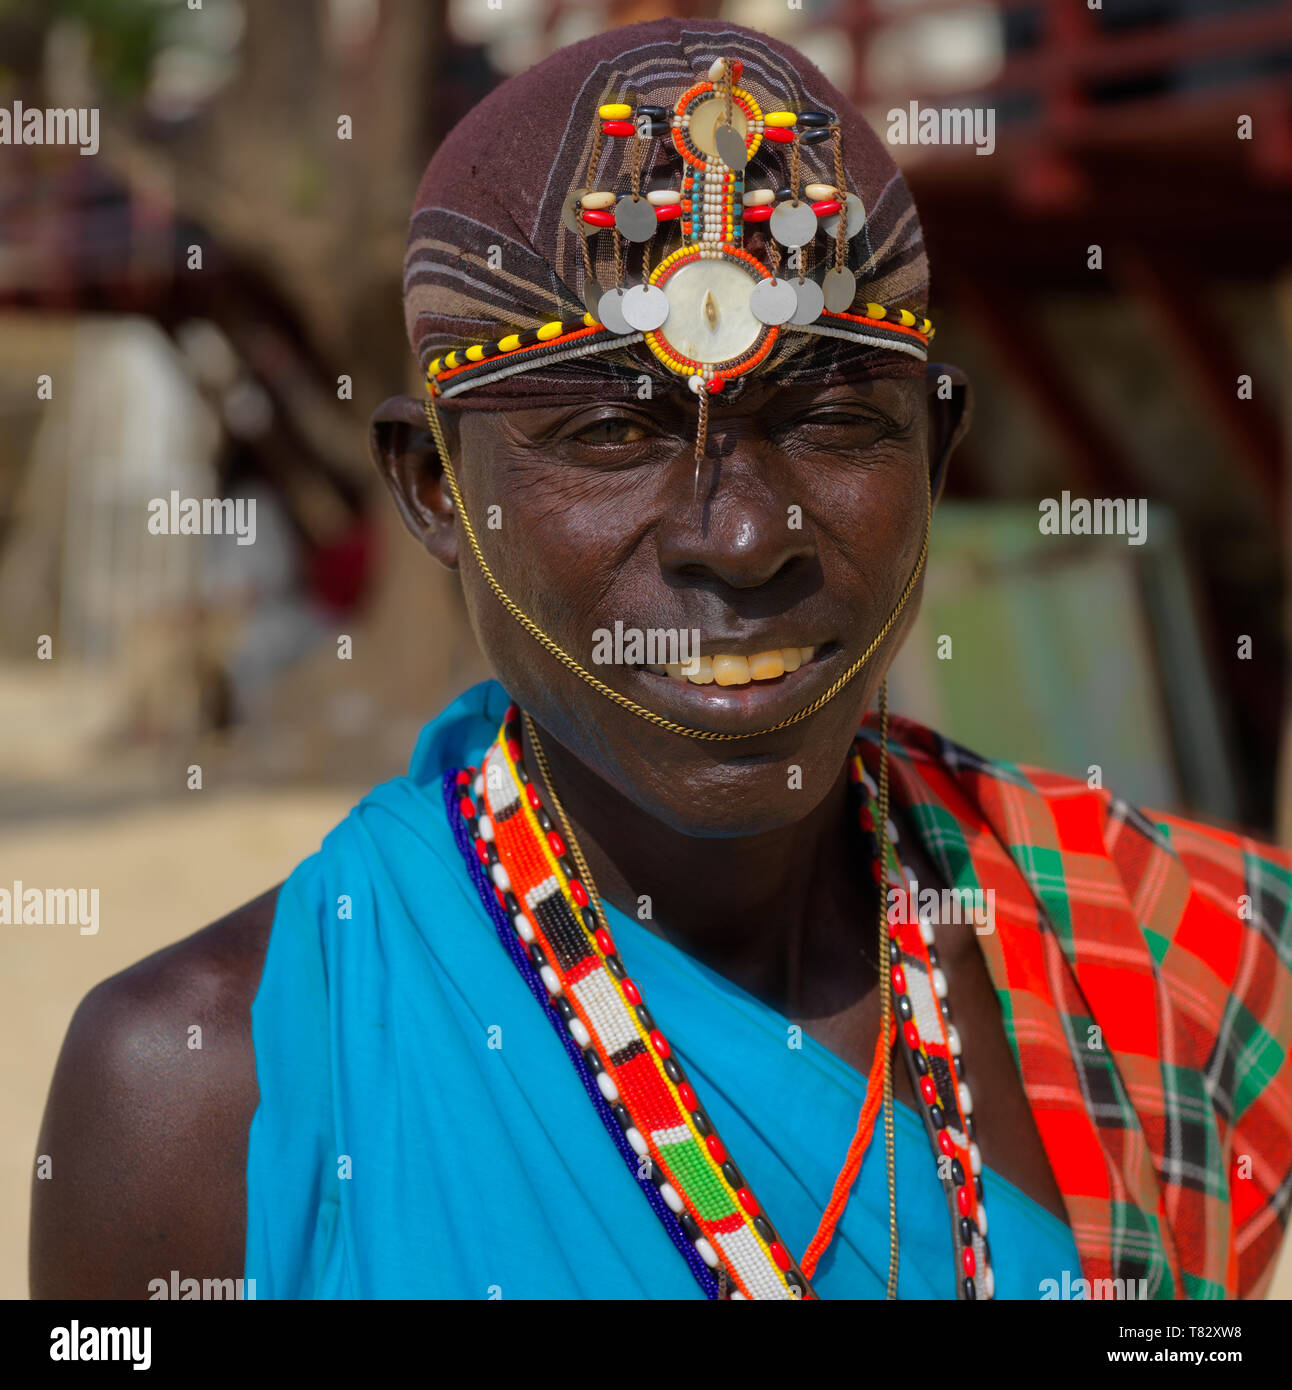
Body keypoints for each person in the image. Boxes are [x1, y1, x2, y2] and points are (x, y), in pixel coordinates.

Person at [31, 18, 1292, 1301]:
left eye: (832, 417)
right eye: (607, 433)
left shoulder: (1152, 942)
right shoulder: (200, 1093)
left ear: (937, 452)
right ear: (431, 492)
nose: (742, 535)